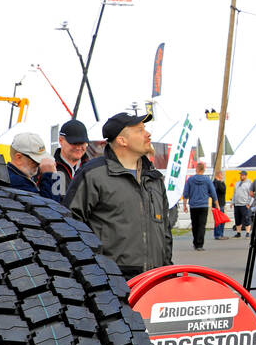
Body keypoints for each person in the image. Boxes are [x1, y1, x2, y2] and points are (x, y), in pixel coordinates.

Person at [63, 112, 172, 280]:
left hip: (154, 280)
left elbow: (165, 232)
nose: (148, 134)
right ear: (122, 140)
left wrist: (168, 273)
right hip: (111, 282)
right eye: (140, 130)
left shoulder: (154, 178)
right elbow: (70, 225)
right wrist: (92, 269)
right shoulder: (93, 174)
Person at [7, 131, 61, 201]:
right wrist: (50, 176)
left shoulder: (11, 175)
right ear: (18, 158)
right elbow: (52, 208)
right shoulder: (17, 183)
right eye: (35, 160)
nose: (39, 164)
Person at [182, 161, 216, 251]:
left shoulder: (190, 180)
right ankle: (200, 244)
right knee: (202, 225)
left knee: (195, 224)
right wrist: (217, 204)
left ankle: (195, 242)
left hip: (193, 206)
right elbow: (213, 192)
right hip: (204, 205)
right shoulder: (207, 180)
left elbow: (185, 193)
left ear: (196, 169)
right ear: (204, 170)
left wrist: (184, 205)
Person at [52, 118, 93, 195]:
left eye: (82, 143)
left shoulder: (93, 169)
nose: (78, 147)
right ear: (61, 140)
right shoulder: (49, 169)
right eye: (74, 143)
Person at [232, 170, 253, 237]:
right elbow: (234, 193)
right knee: (237, 219)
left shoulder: (249, 184)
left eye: (242, 175)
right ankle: (238, 233)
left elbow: (251, 195)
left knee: (246, 219)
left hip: (244, 204)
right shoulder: (237, 183)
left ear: (246, 176)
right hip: (237, 204)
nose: (241, 176)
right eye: (240, 175)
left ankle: (247, 233)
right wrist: (233, 202)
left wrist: (249, 203)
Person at [212, 169, 229, 239]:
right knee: (219, 220)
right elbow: (223, 190)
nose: (222, 177)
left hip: (220, 203)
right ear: (219, 175)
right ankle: (218, 234)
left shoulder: (214, 183)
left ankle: (220, 234)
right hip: (218, 204)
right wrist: (221, 182)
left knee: (221, 220)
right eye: (222, 175)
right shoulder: (216, 183)